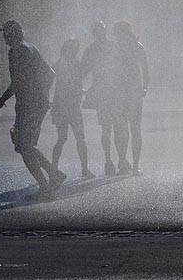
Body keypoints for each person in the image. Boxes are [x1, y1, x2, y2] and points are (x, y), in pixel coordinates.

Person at [0, 20, 65, 196]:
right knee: (24, 145)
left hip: (29, 106)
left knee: (24, 146)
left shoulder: (19, 52)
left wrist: (1, 101)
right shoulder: (28, 48)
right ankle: (53, 174)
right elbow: (50, 75)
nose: (3, 37)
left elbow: (19, 81)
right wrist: (42, 96)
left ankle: (45, 186)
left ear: (12, 34)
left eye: (5, 34)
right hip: (32, 105)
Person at [50, 38, 94, 180]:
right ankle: (85, 170)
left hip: (61, 107)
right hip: (71, 108)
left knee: (62, 139)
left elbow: (64, 84)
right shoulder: (75, 64)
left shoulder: (59, 64)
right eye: (75, 49)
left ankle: (54, 169)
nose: (76, 51)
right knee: (80, 139)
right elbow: (72, 85)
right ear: (71, 50)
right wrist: (83, 91)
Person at [82, 21, 120, 175]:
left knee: (109, 128)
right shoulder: (112, 46)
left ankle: (111, 160)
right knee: (113, 127)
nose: (101, 33)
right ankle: (113, 160)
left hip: (107, 92)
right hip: (110, 92)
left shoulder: (92, 49)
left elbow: (84, 71)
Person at [111, 20, 149, 175]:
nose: (120, 37)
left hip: (131, 92)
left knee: (133, 129)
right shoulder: (117, 48)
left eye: (121, 33)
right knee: (123, 129)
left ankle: (134, 164)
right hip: (123, 93)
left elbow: (145, 70)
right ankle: (124, 163)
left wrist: (144, 87)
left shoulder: (136, 47)